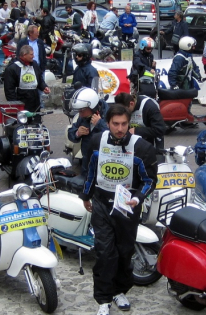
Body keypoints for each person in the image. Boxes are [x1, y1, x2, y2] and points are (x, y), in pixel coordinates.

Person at [80, 103, 157, 315]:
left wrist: (139, 197)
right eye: (115, 124)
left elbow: (150, 180)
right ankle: (103, 299)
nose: (120, 129)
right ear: (107, 123)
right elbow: (89, 172)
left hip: (127, 208)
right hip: (102, 204)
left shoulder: (142, 148)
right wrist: (86, 195)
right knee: (105, 253)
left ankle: (119, 291)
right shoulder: (97, 141)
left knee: (125, 252)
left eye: (124, 124)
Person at [68, 88, 108, 175]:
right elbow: (71, 133)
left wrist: (100, 123)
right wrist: (77, 133)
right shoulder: (82, 117)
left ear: (92, 106)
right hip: (87, 161)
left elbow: (115, 134)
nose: (80, 114)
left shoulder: (109, 114)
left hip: (105, 161)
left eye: (82, 110)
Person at [2, 45, 51, 113]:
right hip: (21, 100)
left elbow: (39, 79)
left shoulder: (34, 64)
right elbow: (9, 89)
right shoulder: (12, 68)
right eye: (31, 54)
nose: (33, 56)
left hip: (35, 100)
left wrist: (44, 87)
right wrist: (14, 105)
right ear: (24, 55)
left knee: (36, 120)